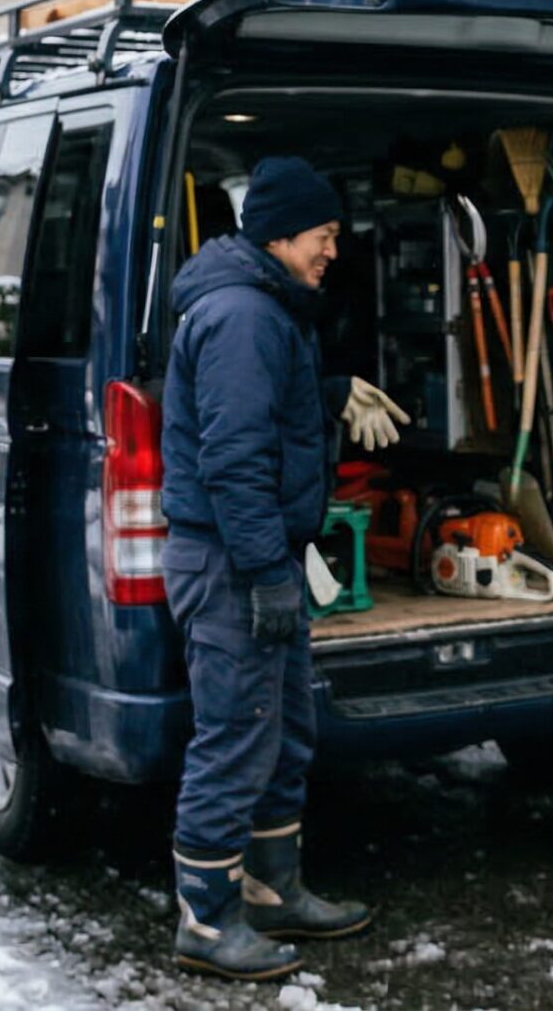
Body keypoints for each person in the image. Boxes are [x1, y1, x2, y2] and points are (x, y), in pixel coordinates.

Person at [161, 155, 403, 981]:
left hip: (258, 554)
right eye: (325, 235)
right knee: (235, 732)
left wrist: (328, 391)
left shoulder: (268, 307)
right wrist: (267, 569)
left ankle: (271, 885)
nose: (334, 249)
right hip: (231, 557)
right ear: (280, 232)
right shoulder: (242, 315)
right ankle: (206, 916)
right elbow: (232, 457)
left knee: (282, 726)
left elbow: (262, 405)